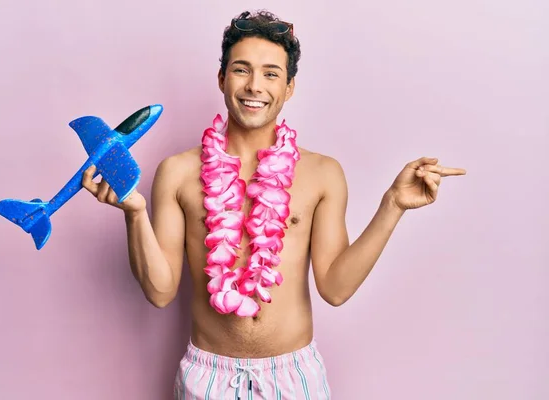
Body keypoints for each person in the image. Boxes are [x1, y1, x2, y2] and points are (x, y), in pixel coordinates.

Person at [81, 9, 466, 400]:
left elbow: (335, 287)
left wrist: (392, 205)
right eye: (241, 70)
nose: (254, 86)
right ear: (221, 78)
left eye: (270, 74)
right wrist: (135, 214)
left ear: (289, 87)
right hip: (208, 376)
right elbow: (160, 292)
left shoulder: (322, 173)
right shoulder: (178, 173)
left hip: (293, 375)